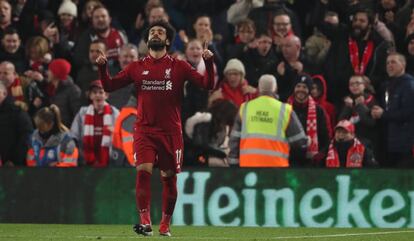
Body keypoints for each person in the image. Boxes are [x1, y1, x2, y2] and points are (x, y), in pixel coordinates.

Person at [96, 20, 215, 237]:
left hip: (170, 132)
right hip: (144, 131)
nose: (157, 34)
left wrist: (208, 63)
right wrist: (103, 68)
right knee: (143, 172)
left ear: (168, 40)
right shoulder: (136, 67)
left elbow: (207, 84)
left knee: (169, 178)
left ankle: (165, 225)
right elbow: (109, 86)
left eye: (161, 32)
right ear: (147, 39)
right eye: (153, 32)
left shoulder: (179, 66)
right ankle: (146, 222)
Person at [228, 74, 307, 167]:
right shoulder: (285, 110)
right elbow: (299, 141)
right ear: (276, 89)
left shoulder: (245, 108)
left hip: (248, 168)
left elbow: (234, 140)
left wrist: (234, 166)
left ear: (258, 89)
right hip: (276, 168)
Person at [371, 52, 414, 167]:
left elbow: (409, 113)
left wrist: (383, 114)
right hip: (387, 141)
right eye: (387, 63)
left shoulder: (409, 85)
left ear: (403, 64)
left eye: (393, 62)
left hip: (403, 142)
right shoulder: (386, 85)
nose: (389, 65)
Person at [70, 80, 119, 167]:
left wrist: (114, 132)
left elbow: (122, 136)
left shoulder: (115, 113)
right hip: (86, 162)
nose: (98, 95)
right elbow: (73, 135)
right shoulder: (82, 113)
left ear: (106, 95)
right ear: (90, 95)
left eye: (101, 92)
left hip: (109, 162)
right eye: (94, 92)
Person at [287, 74, 330, 167]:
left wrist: (319, 156)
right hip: (289, 159)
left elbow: (326, 137)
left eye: (304, 87)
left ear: (309, 90)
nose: (301, 89)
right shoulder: (285, 109)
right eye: (298, 86)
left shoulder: (319, 111)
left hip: (311, 161)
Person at [0, 82, 33, 166]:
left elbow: (26, 136)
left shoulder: (16, 111)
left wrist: (14, 160)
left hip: (13, 165)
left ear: (4, 93)